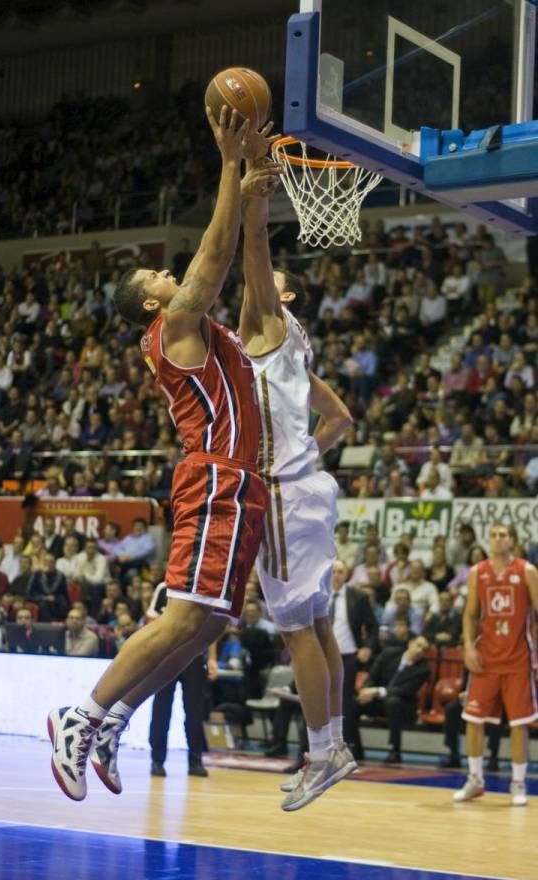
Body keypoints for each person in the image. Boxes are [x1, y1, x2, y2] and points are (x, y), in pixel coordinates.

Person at [48, 106, 273, 802]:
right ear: (152, 303)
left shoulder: (205, 328)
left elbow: (245, 263)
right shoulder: (176, 323)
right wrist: (229, 162)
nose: (169, 272)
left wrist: (254, 189)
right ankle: (78, 713)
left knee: (207, 621)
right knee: (183, 615)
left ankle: (117, 716)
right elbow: (216, 251)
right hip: (214, 475)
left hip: (240, 483)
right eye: (156, 273)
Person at [237, 155, 356, 811]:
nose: (257, 285)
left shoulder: (265, 321)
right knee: (317, 625)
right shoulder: (294, 341)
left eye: (266, 284)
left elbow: (254, 245)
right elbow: (342, 418)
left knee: (296, 631)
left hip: (283, 490)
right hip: (308, 484)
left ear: (278, 295)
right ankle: (332, 743)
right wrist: (307, 449)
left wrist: (256, 193)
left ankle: (320, 753)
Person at [454, 522, 538, 806]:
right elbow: (469, 615)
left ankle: (518, 783)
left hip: (518, 659)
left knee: (519, 723)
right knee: (473, 720)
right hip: (485, 659)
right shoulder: (478, 572)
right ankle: (475, 779)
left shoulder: (526, 571)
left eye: (503, 535)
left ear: (511, 540)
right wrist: (467, 646)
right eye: (493, 535)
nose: (498, 539)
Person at [145, 584, 210, 779]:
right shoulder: (164, 588)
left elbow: (214, 625)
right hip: (166, 657)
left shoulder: (204, 588)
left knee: (195, 710)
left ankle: (196, 760)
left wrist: (212, 657)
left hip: (194, 657)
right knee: (161, 709)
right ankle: (157, 760)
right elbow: (151, 620)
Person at [329, 559, 379, 755]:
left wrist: (368, 647)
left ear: (347, 574)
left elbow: (373, 626)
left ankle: (346, 749)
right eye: (333, 571)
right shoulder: (319, 594)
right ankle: (309, 752)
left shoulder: (357, 596)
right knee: (315, 701)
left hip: (348, 656)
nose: (337, 575)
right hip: (322, 657)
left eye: (341, 571)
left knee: (344, 703)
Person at [353, 635, 430, 763]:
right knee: (353, 703)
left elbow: (405, 691)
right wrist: (366, 691)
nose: (420, 650)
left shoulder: (423, 669)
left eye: (425, 649)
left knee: (393, 702)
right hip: (379, 703)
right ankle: (355, 748)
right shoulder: (388, 654)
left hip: (404, 706)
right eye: (419, 645)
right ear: (410, 643)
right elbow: (372, 677)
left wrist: (377, 691)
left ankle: (395, 750)